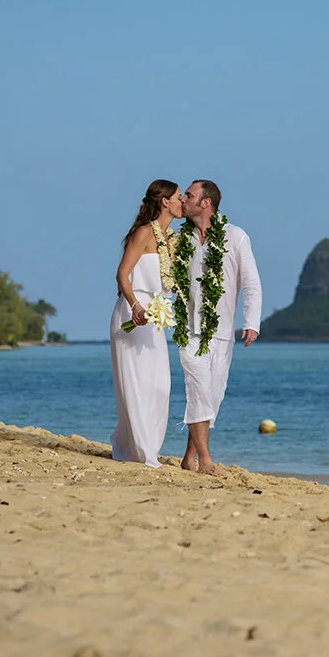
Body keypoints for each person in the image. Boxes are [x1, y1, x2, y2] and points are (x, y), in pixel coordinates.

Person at [175, 179, 262, 474]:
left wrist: (251, 323)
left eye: (189, 195)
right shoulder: (181, 240)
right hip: (188, 330)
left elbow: (250, 283)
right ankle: (206, 460)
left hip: (223, 331)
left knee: (212, 396)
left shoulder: (235, 237)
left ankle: (188, 457)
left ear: (205, 203)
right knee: (197, 390)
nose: (183, 199)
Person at [109, 179, 183, 467]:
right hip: (132, 313)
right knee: (137, 384)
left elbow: (167, 281)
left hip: (156, 316)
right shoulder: (143, 232)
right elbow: (122, 274)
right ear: (165, 201)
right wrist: (135, 305)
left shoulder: (170, 239)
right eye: (178, 197)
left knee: (160, 385)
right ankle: (142, 453)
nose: (181, 202)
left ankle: (147, 446)